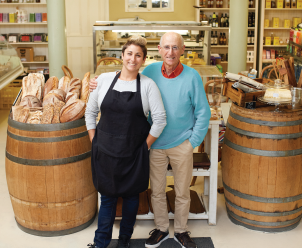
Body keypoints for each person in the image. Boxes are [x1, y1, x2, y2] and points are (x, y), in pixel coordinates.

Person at [91, 32, 211, 248]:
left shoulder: (192, 76)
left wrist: (192, 143)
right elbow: (127, 79)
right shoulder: (151, 71)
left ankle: (182, 231)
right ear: (159, 51)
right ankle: (162, 228)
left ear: (182, 50)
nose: (170, 52)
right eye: (166, 47)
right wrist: (97, 83)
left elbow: (203, 113)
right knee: (156, 190)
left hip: (181, 143)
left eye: (175, 47)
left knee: (182, 192)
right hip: (153, 144)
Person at [85, 36, 166, 248]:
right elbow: (90, 112)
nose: (133, 58)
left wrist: (145, 146)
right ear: (122, 56)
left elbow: (160, 120)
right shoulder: (103, 80)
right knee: (108, 198)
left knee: (131, 198)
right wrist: (95, 141)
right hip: (105, 151)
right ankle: (100, 242)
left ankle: (124, 240)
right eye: (129, 53)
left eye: (138, 55)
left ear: (144, 60)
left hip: (134, 154)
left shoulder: (148, 86)